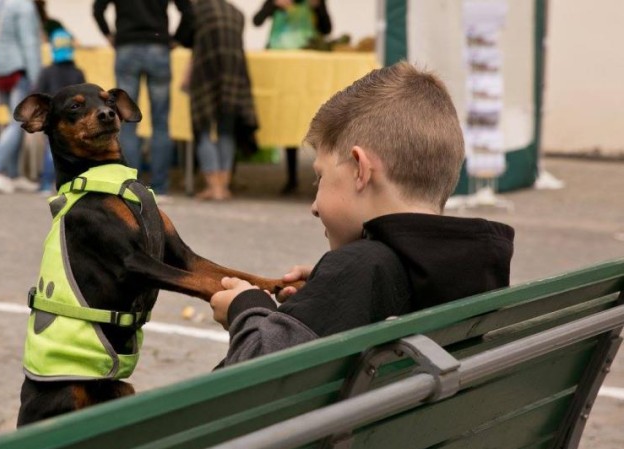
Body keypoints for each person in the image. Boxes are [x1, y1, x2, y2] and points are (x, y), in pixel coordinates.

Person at [209, 61, 515, 366]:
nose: (314, 206)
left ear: (360, 169)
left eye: (320, 177)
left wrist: (246, 308)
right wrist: (324, 292)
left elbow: (254, 380)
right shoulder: (473, 266)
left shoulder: (360, 267)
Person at [92, 0, 194, 202]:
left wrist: (109, 35)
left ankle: (130, 186)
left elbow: (97, 9)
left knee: (126, 122)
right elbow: (188, 11)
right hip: (158, 46)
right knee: (161, 122)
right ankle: (160, 188)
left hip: (127, 46)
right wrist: (175, 39)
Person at [253, 0, 332, 195]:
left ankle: (322, 175)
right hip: (280, 69)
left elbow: (327, 28)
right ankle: (292, 177)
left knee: (314, 119)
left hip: (307, 70)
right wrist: (273, 5)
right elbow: (256, 20)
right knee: (286, 118)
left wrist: (319, 8)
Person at [187, 0, 257, 201]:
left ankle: (213, 186)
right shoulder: (237, 13)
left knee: (204, 129)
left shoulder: (197, 11)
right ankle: (224, 187)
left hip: (206, 73)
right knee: (226, 129)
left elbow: (185, 38)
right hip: (234, 74)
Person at [0, 0, 42, 194]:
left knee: (13, 120)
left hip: (1, 69)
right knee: (18, 122)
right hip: (19, 69)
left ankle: (12, 175)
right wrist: (36, 78)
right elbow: (29, 43)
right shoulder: (24, 6)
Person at [34, 28, 86, 194]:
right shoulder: (78, 73)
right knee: (75, 152)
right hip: (74, 120)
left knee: (51, 153)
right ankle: (72, 184)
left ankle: (45, 184)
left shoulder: (47, 72)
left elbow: (37, 93)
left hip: (54, 119)